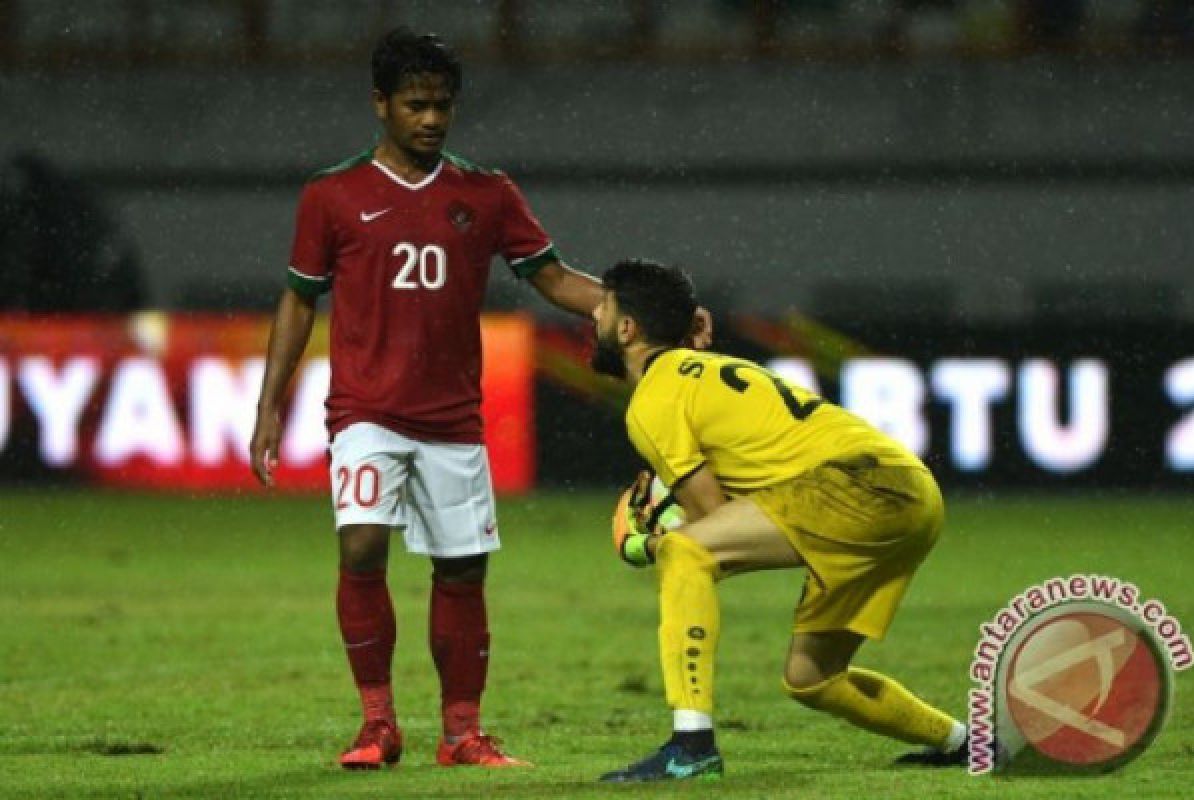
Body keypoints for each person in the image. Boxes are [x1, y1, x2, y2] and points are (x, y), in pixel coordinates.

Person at [248, 28, 627, 770]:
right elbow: (298, 301)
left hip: (453, 419)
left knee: (462, 569)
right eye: (416, 104)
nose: (431, 119)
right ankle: (377, 724)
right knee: (360, 544)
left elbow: (552, 278)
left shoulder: (485, 194)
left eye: (443, 106)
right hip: (364, 411)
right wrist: (271, 404)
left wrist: (638, 309)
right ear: (380, 104)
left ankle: (461, 733)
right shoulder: (332, 195)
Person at [592, 259, 968, 782]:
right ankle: (962, 742)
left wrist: (649, 543)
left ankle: (691, 746)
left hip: (855, 485)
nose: (593, 315)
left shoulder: (653, 400)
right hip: (909, 491)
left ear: (627, 329)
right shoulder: (703, 372)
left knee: (686, 553)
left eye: (603, 308)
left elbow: (712, 523)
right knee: (812, 677)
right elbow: (729, 516)